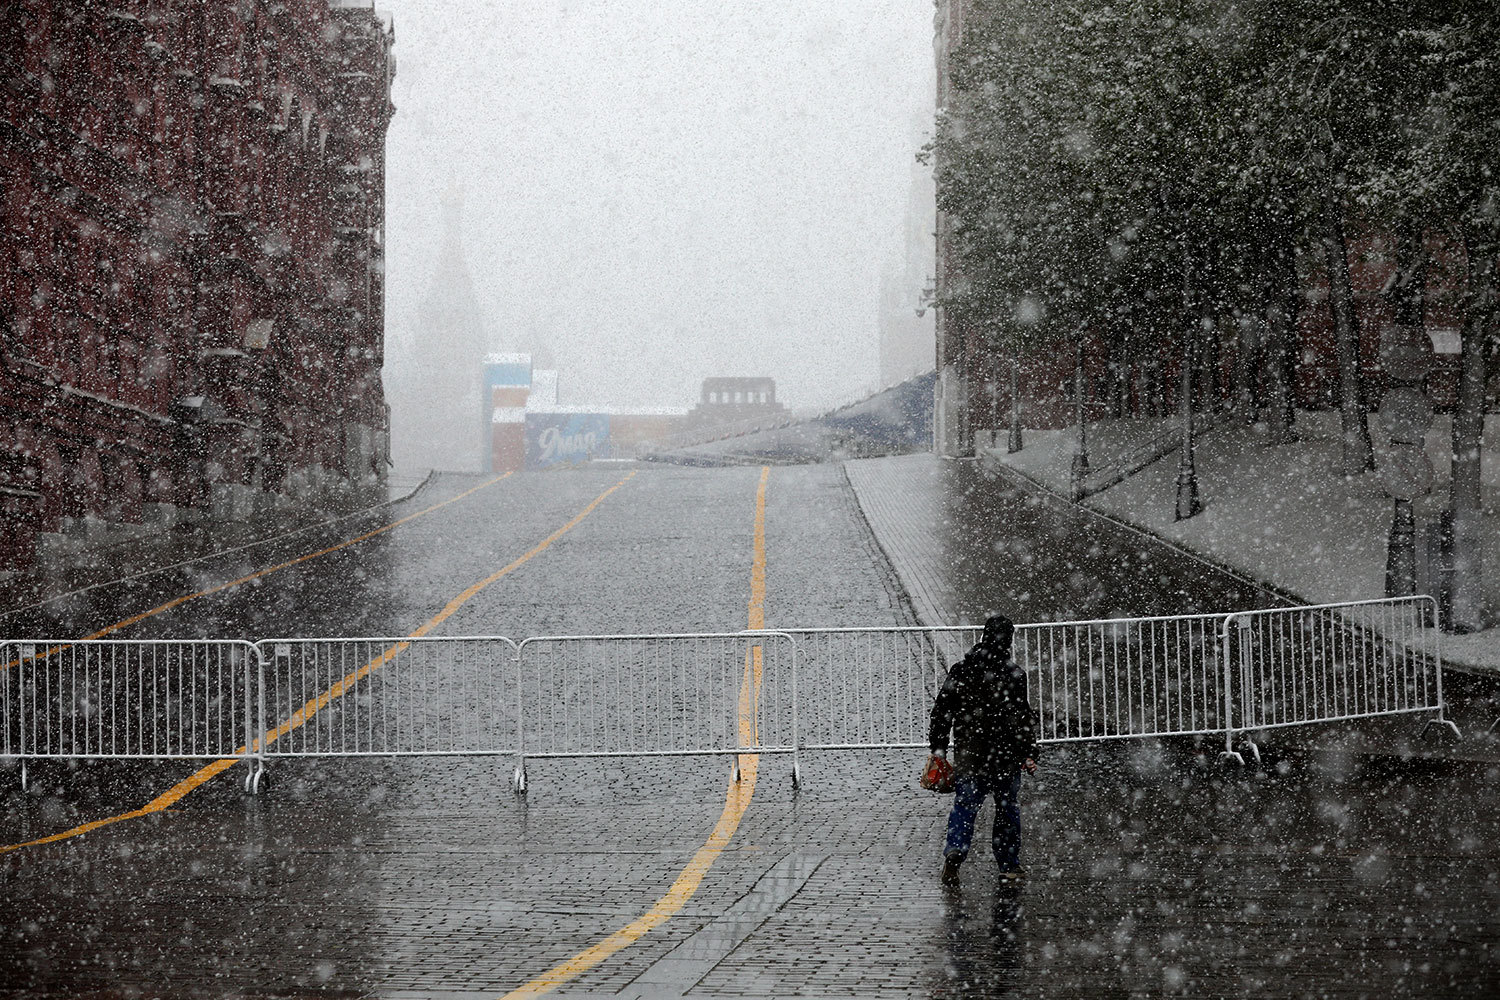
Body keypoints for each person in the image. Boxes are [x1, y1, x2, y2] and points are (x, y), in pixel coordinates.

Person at [928, 614, 1039, 886]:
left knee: (965, 807)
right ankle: (1008, 865)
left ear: (983, 636)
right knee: (1006, 811)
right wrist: (1028, 753)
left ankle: (955, 851)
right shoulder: (1014, 674)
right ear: (1009, 640)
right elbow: (1021, 718)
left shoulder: (961, 670)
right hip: (1005, 756)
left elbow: (942, 711)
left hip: (971, 754)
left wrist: (939, 747)